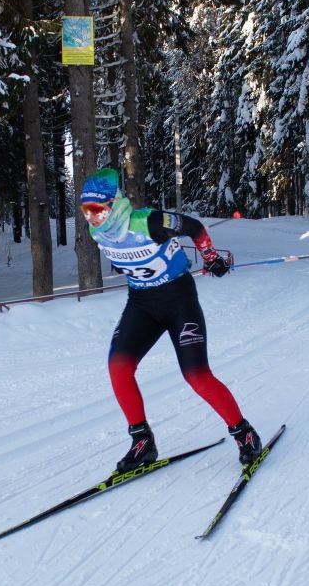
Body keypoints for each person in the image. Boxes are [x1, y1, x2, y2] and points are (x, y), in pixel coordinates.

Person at [79, 167, 262, 471]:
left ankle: (244, 433)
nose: (92, 218)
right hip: (142, 303)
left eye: (97, 210)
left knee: (196, 375)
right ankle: (142, 442)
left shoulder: (147, 222)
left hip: (178, 301)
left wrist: (211, 258)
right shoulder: (97, 231)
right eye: (86, 211)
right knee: (119, 367)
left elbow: (195, 227)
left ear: (115, 204)